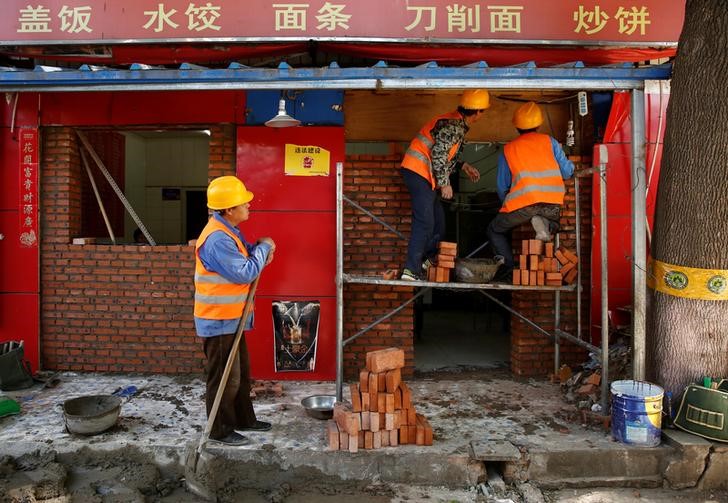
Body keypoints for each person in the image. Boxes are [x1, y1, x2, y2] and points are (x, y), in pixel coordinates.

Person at [194, 175, 276, 446]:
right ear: (229, 209)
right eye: (244, 203)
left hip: (231, 319)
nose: (249, 206)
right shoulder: (217, 238)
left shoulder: (228, 231)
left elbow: (243, 256)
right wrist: (263, 249)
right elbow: (243, 272)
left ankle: (244, 419)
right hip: (218, 320)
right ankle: (219, 430)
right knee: (223, 378)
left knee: (240, 374)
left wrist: (259, 250)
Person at [400, 89, 490, 281]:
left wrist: (463, 165)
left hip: (424, 174)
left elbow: (443, 152)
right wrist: (445, 183)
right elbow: (438, 154)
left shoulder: (456, 123)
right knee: (424, 222)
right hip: (417, 171)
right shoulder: (454, 126)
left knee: (438, 222)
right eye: (483, 112)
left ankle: (427, 260)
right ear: (477, 112)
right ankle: (410, 270)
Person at [487, 102, 575, 281]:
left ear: (517, 126)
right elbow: (567, 172)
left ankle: (509, 269)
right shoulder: (550, 142)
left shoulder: (509, 149)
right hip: (552, 204)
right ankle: (546, 224)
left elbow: (502, 187)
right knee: (553, 221)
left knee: (494, 230)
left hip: (523, 206)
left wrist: (509, 206)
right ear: (539, 124)